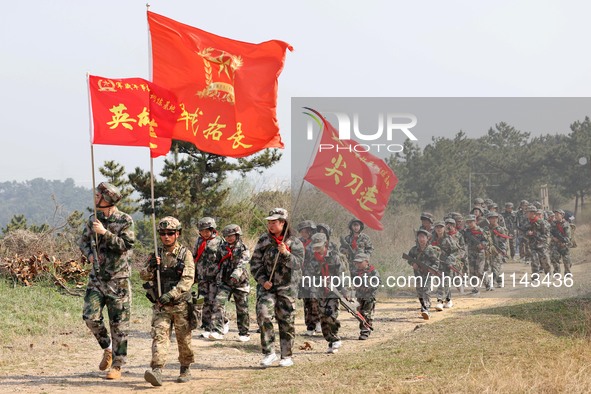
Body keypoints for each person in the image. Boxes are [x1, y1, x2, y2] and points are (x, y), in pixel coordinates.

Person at [79, 182, 135, 380]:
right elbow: (83, 242)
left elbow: (126, 245)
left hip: (118, 280)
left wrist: (105, 233)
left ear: (108, 199)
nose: (95, 198)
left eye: (98, 196)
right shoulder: (92, 219)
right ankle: (107, 348)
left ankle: (117, 366)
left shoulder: (125, 220)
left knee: (119, 325)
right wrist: (90, 256)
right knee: (90, 317)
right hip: (96, 279)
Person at [141, 217, 195, 386]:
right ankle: (157, 370)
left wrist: (171, 294)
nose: (166, 237)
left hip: (180, 305)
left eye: (170, 233)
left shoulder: (185, 254)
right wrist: (150, 266)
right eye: (163, 233)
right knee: (159, 336)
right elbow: (143, 275)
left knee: (183, 339)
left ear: (177, 234)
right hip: (161, 306)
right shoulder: (156, 255)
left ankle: (185, 367)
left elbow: (187, 279)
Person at [250, 208, 304, 367]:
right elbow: (255, 264)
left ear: (283, 223)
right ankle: (269, 352)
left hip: (287, 288)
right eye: (269, 222)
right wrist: (262, 280)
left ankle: (286, 356)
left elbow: (299, 264)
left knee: (286, 321)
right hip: (268, 287)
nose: (270, 225)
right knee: (263, 313)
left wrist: (286, 253)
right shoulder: (263, 240)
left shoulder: (295, 242)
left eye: (274, 222)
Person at [308, 232, 346, 354]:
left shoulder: (335, 257)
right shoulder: (313, 260)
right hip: (320, 292)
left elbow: (343, 274)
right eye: (315, 247)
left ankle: (335, 338)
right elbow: (311, 277)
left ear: (325, 244)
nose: (317, 249)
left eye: (319, 246)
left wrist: (345, 290)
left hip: (334, 291)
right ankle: (331, 340)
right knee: (323, 318)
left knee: (330, 314)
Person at [216, 224, 252, 342]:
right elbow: (217, 262)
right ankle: (219, 329)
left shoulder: (243, 248)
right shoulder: (222, 247)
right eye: (226, 236)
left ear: (237, 235)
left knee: (242, 308)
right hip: (225, 281)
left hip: (240, 282)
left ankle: (244, 333)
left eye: (231, 236)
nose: (229, 238)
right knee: (218, 303)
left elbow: (243, 262)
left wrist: (236, 275)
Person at [193, 217, 224, 340]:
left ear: (212, 229)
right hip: (202, 277)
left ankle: (218, 328)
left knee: (216, 303)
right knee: (204, 302)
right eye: (202, 231)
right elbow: (195, 257)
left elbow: (223, 259)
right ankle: (206, 327)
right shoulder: (199, 241)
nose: (205, 233)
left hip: (215, 277)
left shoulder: (219, 242)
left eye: (207, 231)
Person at [406, 229, 440, 320]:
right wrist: (412, 264)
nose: (421, 239)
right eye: (420, 237)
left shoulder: (430, 250)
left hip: (428, 274)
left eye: (423, 237)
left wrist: (432, 269)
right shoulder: (414, 250)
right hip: (418, 274)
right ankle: (423, 306)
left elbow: (436, 262)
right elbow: (409, 259)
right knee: (419, 291)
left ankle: (426, 309)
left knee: (426, 289)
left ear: (427, 238)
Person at [297, 220, 321, 336]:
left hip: (315, 275)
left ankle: (318, 322)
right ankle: (309, 326)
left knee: (314, 299)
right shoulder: (298, 242)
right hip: (302, 275)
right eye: (302, 231)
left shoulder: (317, 242)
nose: (304, 233)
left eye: (306, 231)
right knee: (306, 301)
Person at [431, 221, 459, 310]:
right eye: (437, 227)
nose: (439, 229)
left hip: (447, 265)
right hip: (436, 265)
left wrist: (450, 260)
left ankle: (443, 301)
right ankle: (444, 300)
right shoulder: (432, 239)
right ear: (435, 229)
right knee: (441, 283)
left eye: (441, 227)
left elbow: (456, 252)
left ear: (444, 228)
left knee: (445, 283)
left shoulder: (449, 239)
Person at [352, 253, 380, 339]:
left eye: (360, 262)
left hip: (369, 297)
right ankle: (364, 328)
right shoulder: (356, 272)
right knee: (359, 313)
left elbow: (377, 282)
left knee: (367, 313)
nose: (358, 265)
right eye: (357, 263)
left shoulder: (373, 271)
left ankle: (365, 331)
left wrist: (369, 287)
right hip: (359, 296)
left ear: (366, 262)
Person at [463, 214, 490, 293]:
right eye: (468, 222)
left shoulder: (480, 231)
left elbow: (487, 241)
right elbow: (463, 240)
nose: (469, 224)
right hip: (471, 253)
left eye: (471, 222)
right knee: (472, 271)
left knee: (479, 271)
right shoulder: (466, 232)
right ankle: (475, 287)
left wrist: (482, 245)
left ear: (475, 221)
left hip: (480, 253)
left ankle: (487, 283)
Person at [525, 207, 551, 276]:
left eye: (529, 212)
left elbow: (546, 234)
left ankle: (548, 274)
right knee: (534, 261)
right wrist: (528, 234)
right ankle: (535, 276)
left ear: (533, 213)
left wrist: (536, 235)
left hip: (542, 245)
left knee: (545, 261)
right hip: (533, 245)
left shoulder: (541, 222)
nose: (527, 214)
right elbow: (524, 233)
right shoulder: (528, 222)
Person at [486, 212, 508, 288]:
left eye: (495, 218)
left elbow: (504, 240)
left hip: (498, 250)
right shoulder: (486, 229)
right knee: (490, 267)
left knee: (497, 266)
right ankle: (492, 282)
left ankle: (499, 281)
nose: (493, 219)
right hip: (488, 250)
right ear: (488, 219)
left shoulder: (501, 229)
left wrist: (503, 250)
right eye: (491, 218)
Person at [550, 209, 572, 276]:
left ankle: (567, 273)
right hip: (555, 244)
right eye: (555, 215)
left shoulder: (566, 224)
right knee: (554, 258)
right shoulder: (553, 224)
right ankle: (557, 273)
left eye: (557, 215)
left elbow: (568, 237)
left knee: (566, 259)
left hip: (564, 244)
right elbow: (549, 232)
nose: (556, 216)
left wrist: (564, 243)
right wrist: (553, 238)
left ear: (562, 215)